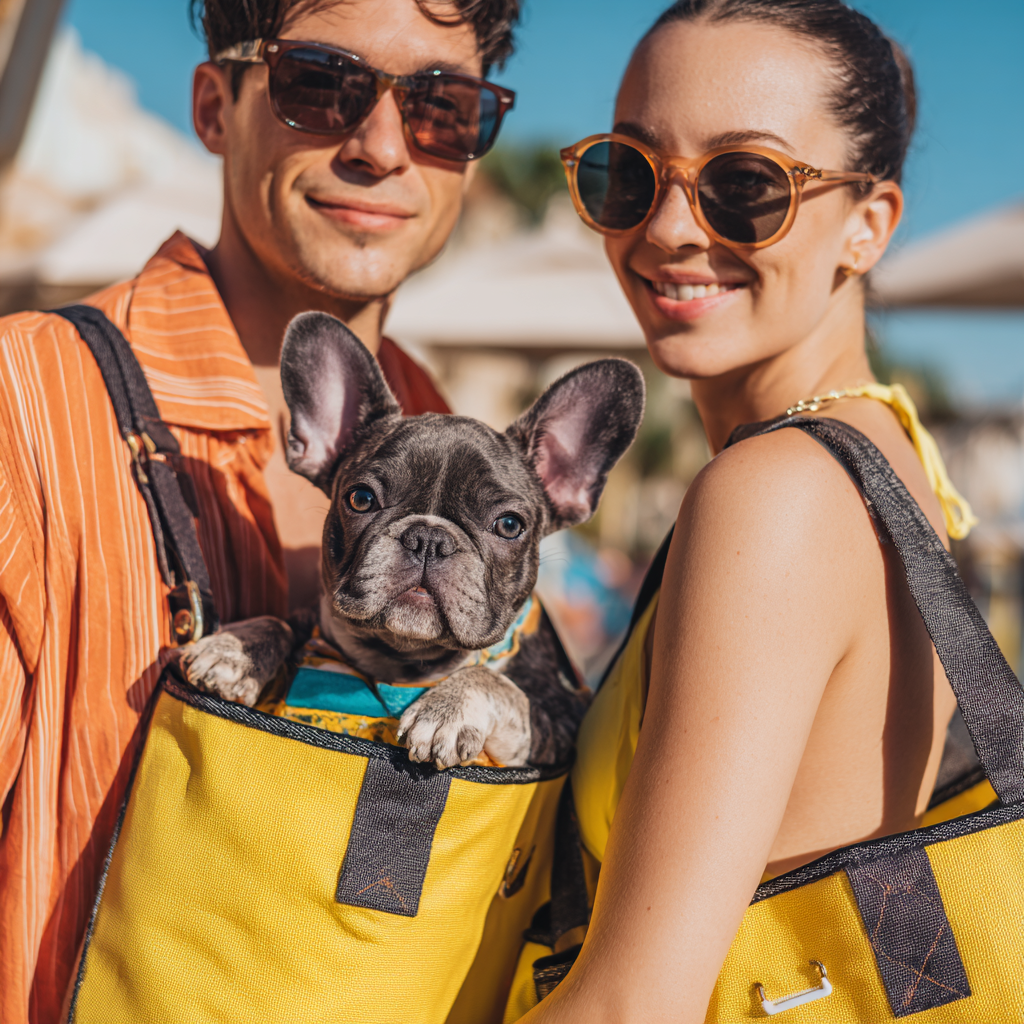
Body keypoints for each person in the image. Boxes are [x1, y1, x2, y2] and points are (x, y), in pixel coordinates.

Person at [0, 0, 517, 1018]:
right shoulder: (28, 402)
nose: (379, 147)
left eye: (440, 106)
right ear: (213, 104)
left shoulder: (476, 469)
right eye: (318, 83)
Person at [520, 2, 978, 1021]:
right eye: (627, 172)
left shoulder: (774, 492)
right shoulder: (893, 454)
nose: (669, 227)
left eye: (745, 186)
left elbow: (631, 1005)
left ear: (869, 224)